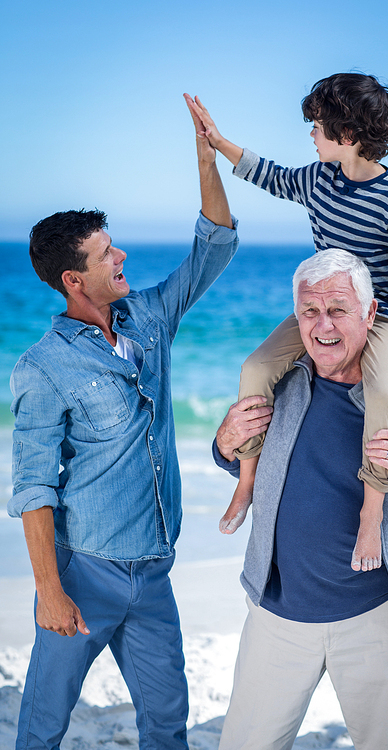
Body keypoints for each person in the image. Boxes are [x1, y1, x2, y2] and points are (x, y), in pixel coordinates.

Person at [7, 102, 238, 750]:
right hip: (84, 576)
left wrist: (205, 157)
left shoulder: (150, 317)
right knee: (43, 729)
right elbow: (32, 488)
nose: (124, 255)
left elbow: (214, 245)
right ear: (74, 279)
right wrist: (50, 593)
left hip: (154, 573)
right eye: (109, 253)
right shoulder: (43, 368)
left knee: (168, 724)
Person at [213, 249, 388, 750]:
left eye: (338, 310)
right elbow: (248, 456)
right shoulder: (281, 380)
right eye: (309, 311)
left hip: (376, 615)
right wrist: (225, 443)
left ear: (370, 315)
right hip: (277, 614)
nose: (322, 325)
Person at [185, 73, 388, 573]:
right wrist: (217, 142)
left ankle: (371, 510)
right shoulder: (319, 178)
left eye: (318, 127)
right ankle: (248, 481)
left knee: (383, 393)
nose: (311, 135)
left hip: (381, 315)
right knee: (255, 368)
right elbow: (270, 175)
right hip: (326, 306)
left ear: (347, 137)